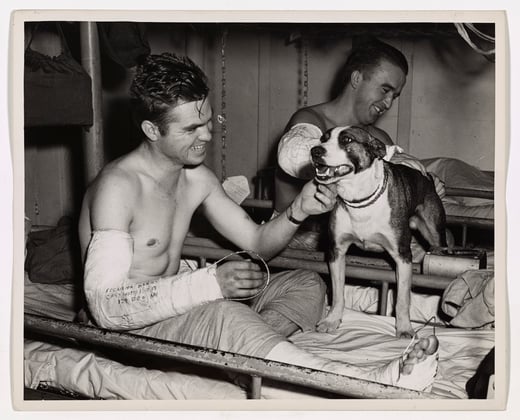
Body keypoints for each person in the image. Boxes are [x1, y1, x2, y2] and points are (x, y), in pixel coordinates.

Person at [78, 52, 438, 393]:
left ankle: (244, 355)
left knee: (307, 283)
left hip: (179, 308)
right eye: (190, 130)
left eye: (208, 122)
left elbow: (257, 242)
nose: (206, 136)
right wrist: (209, 284)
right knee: (224, 314)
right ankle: (369, 381)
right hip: (129, 331)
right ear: (152, 130)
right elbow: (106, 308)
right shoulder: (118, 187)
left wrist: (299, 209)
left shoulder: (196, 179)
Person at [275, 38, 448, 254]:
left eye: (394, 96)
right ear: (356, 78)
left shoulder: (377, 136)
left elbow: (398, 186)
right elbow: (291, 156)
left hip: (356, 243)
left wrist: (425, 184)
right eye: (385, 90)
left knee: (440, 239)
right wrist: (388, 158)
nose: (388, 104)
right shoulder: (310, 120)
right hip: (297, 243)